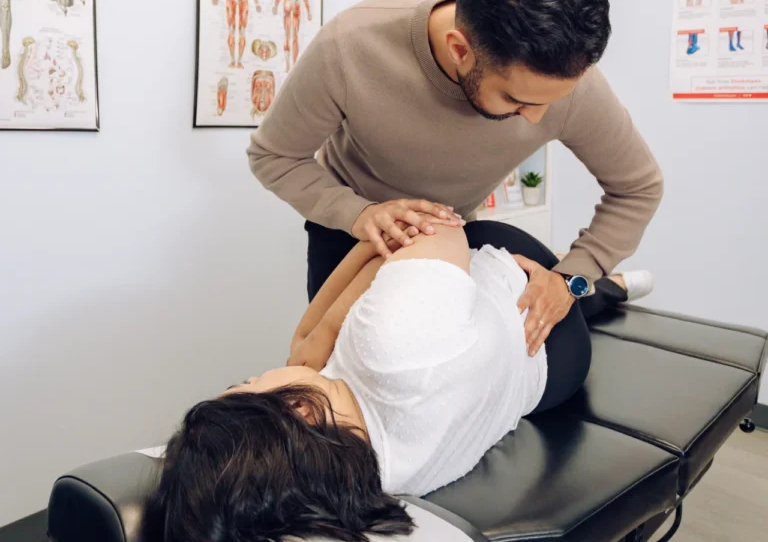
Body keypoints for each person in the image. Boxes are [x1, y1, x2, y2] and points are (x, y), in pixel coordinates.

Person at [247, 0, 663, 357]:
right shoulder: (351, 46)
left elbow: (638, 187)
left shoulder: (570, 84)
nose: (537, 119)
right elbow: (273, 156)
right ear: (460, 50)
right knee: (335, 369)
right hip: (350, 232)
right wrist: (359, 214)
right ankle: (612, 289)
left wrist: (573, 278)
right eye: (516, 100)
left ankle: (605, 289)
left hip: (454, 239)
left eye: (550, 102)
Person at [141, 221, 652, 542]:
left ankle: (607, 291)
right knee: (445, 233)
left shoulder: (357, 474)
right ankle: (594, 289)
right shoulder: (392, 346)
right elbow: (436, 222)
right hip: (530, 303)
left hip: (546, 385)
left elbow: (303, 349)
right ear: (298, 412)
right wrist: (319, 336)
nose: (258, 373)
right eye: (247, 382)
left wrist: (309, 350)